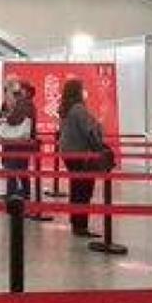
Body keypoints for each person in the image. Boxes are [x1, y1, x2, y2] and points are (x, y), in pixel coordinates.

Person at [58, 78, 105, 239]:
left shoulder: (65, 108)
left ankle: (76, 222)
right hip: (80, 154)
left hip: (69, 154)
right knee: (84, 191)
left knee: (76, 189)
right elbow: (90, 131)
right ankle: (81, 225)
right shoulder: (78, 109)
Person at [0, 78, 34, 199]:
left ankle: (13, 192)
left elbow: (14, 119)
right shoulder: (9, 103)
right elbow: (1, 117)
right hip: (13, 141)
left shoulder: (24, 103)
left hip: (18, 142)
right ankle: (18, 191)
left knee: (14, 166)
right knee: (16, 166)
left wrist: (5, 118)